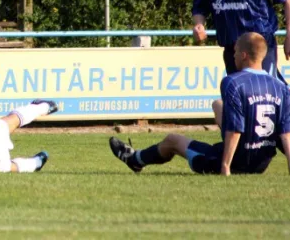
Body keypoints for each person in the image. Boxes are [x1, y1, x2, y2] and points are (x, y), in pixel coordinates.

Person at [110, 32, 290, 175]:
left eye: (235, 52)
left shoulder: (233, 82)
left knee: (172, 140)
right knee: (217, 104)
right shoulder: (281, 87)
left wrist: (225, 167)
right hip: (261, 164)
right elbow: (286, 134)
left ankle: (135, 159)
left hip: (235, 162)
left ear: (243, 55)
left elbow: (235, 130)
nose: (233, 56)